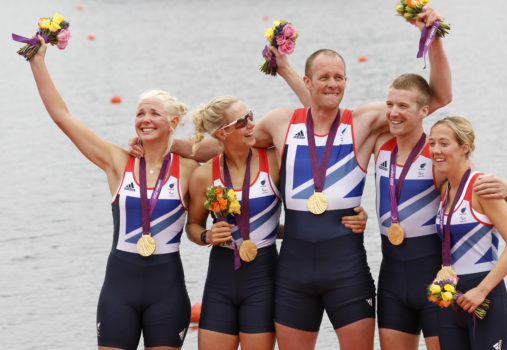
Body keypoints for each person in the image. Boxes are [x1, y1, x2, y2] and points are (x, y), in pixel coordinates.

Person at [251, 6, 453, 350]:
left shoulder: (368, 121)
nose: (332, 84)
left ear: (347, 81)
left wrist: (431, 37)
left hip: (348, 270)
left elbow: (438, 97)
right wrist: (175, 144)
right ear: (309, 82)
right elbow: (233, 143)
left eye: (339, 78)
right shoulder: (285, 123)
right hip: (294, 272)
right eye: (324, 78)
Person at [28, 36, 199, 349]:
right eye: (139, 113)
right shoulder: (118, 162)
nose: (145, 119)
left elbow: (226, 150)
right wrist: (37, 62)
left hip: (168, 293)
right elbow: (63, 117)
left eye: (154, 113)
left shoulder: (189, 170)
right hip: (119, 291)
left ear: (173, 121)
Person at [184, 96, 368, 350]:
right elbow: (192, 226)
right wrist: (206, 236)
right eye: (241, 122)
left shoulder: (273, 162)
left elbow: (314, 193)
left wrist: (353, 214)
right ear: (221, 133)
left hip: (264, 278)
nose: (251, 124)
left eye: (250, 115)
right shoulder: (204, 175)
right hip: (220, 280)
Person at [373, 74, 507, 350]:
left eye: (403, 105)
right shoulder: (379, 145)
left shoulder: (450, 173)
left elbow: (482, 200)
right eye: (390, 104)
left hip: (441, 280)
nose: (436, 150)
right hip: (393, 279)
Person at [429, 116, 507, 350]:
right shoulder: (446, 188)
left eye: (444, 143)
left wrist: (481, 291)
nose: (435, 150)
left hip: (484, 295)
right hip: (449, 296)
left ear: (464, 147)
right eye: (432, 143)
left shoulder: (482, 187)